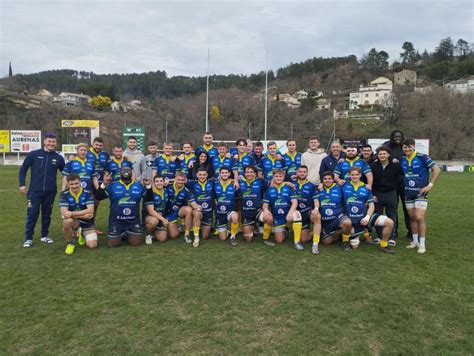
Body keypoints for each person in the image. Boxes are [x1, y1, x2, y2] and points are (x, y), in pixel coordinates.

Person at [19, 132, 65, 247]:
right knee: (32, 214)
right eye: (49, 141)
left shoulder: (58, 158)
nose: (51, 143)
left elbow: (66, 173)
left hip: (50, 192)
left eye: (53, 142)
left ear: (56, 143)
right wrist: (22, 184)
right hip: (34, 191)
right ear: (44, 141)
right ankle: (28, 238)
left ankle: (44, 236)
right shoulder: (33, 154)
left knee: (47, 214)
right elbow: (23, 169)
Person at [400, 139, 441, 254]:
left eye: (409, 147)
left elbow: (436, 169)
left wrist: (430, 185)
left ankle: (422, 244)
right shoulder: (402, 159)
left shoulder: (422, 157)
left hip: (420, 192)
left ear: (413, 146)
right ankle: (415, 241)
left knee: (419, 217)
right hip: (408, 192)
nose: (407, 149)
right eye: (405, 147)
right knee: (412, 217)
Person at [342, 167, 395, 253]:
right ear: (349, 175)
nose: (354, 176)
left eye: (356, 174)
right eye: (352, 175)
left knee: (389, 222)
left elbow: (371, 206)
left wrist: (367, 217)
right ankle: (347, 236)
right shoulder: (344, 186)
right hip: (350, 219)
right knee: (354, 246)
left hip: (363, 217)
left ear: (360, 175)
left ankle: (384, 244)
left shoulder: (366, 188)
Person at [95, 166, 151, 247]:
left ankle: (127, 234)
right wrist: (104, 184)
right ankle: (121, 234)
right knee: (113, 245)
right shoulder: (112, 185)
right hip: (116, 222)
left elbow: (149, 199)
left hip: (133, 222)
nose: (126, 171)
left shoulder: (139, 186)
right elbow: (98, 197)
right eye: (123, 169)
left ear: (131, 172)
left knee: (136, 243)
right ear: (120, 172)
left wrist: (148, 186)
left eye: (128, 169)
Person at [262, 169, 302, 250]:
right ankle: (282, 230)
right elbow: (265, 204)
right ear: (273, 177)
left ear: (283, 177)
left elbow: (295, 203)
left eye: (280, 176)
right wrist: (266, 210)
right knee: (279, 240)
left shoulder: (289, 187)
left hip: (288, 214)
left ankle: (297, 241)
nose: (278, 178)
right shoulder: (270, 189)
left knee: (297, 215)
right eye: (276, 176)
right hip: (277, 217)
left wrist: (290, 213)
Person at [370, 146, 403, 246]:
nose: (382, 156)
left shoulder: (395, 166)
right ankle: (380, 236)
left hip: (391, 194)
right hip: (377, 194)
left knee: (391, 215)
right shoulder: (373, 166)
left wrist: (394, 189)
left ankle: (391, 237)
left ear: (388, 154)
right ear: (377, 155)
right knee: (377, 215)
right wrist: (372, 194)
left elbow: (400, 178)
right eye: (380, 154)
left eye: (384, 154)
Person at [59, 173, 97, 255]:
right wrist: (83, 215)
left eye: (76, 183)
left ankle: (81, 234)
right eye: (71, 184)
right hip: (75, 221)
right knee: (67, 221)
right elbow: (64, 213)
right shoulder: (64, 194)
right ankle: (70, 243)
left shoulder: (87, 193)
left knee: (92, 245)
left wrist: (72, 213)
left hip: (87, 222)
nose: (74, 186)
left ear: (80, 182)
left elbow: (91, 210)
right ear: (68, 184)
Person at [384, 130, 411, 239]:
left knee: (407, 208)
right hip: (392, 182)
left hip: (405, 182)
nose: (398, 138)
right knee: (392, 209)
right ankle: (394, 230)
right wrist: (391, 159)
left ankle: (410, 231)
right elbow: (380, 154)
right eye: (395, 136)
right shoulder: (387, 145)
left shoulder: (405, 147)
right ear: (392, 137)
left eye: (400, 136)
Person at [316, 171, 352, 251]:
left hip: (338, 217)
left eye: (329, 179)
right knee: (326, 242)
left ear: (333, 180)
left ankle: (345, 241)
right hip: (326, 221)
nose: (327, 180)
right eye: (325, 179)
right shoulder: (318, 189)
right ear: (322, 180)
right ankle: (338, 233)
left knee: (347, 222)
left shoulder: (340, 188)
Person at [291, 166, 322, 254]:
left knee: (317, 216)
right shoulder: (292, 184)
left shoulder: (311, 186)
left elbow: (316, 200)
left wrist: (316, 209)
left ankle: (315, 244)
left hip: (307, 212)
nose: (302, 173)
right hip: (296, 212)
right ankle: (313, 233)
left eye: (304, 172)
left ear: (307, 173)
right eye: (300, 171)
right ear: (297, 173)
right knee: (303, 239)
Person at [238, 165, 270, 244]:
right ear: (244, 174)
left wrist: (287, 182)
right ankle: (254, 226)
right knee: (248, 239)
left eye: (251, 172)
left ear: (255, 173)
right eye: (247, 172)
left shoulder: (260, 181)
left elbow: (274, 183)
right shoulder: (239, 183)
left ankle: (265, 238)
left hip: (258, 210)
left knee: (269, 218)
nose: (249, 174)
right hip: (246, 213)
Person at [165, 171, 198, 243]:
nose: (180, 182)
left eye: (182, 180)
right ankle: (179, 227)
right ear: (175, 179)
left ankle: (187, 234)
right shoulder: (167, 185)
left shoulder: (187, 190)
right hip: (167, 211)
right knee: (174, 235)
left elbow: (193, 203)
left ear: (185, 180)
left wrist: (198, 208)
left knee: (189, 210)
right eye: (178, 180)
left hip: (179, 210)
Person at [87, 137, 109, 232]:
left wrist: (106, 177)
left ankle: (92, 226)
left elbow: (107, 168)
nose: (98, 147)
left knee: (95, 206)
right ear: (92, 144)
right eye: (96, 145)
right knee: (85, 206)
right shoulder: (87, 153)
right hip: (87, 184)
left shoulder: (105, 155)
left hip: (99, 185)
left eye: (100, 145)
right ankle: (80, 227)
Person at [187, 167, 214, 247]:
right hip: (199, 210)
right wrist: (168, 181)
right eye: (200, 175)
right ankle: (196, 237)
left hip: (208, 213)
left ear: (207, 175)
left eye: (204, 175)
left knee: (205, 236)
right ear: (197, 175)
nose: (202, 176)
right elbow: (180, 178)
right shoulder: (192, 183)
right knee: (196, 213)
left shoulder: (212, 182)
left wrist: (235, 181)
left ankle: (200, 225)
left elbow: (225, 179)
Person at [213, 167, 240, 246]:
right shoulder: (215, 183)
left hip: (229, 211)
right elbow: (214, 197)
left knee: (235, 217)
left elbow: (238, 197)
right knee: (223, 238)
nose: (224, 174)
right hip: (220, 213)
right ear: (220, 174)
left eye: (226, 172)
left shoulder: (234, 184)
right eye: (222, 172)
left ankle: (233, 236)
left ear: (229, 174)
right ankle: (228, 229)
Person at [144, 175, 170, 244]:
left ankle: (154, 231)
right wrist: (163, 219)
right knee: (154, 221)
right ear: (153, 183)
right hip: (150, 217)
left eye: (161, 181)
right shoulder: (150, 192)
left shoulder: (166, 191)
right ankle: (147, 234)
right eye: (157, 181)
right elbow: (151, 211)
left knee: (163, 238)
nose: (159, 183)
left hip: (161, 217)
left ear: (164, 182)